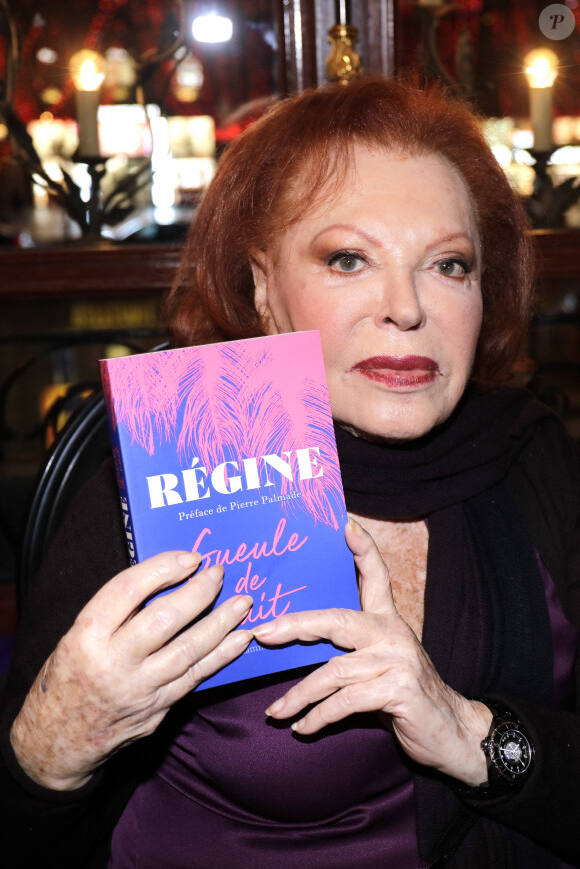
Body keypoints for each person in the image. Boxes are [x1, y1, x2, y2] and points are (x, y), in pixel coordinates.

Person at [1, 76, 579, 869]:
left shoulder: (531, 453)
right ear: (263, 288)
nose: (406, 308)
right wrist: (50, 752)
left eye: (449, 265)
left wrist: (469, 733)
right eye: (348, 259)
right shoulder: (169, 479)